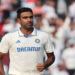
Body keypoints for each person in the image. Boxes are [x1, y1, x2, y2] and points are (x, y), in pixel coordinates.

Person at [0, 7, 55, 75]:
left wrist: (45, 65)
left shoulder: (44, 36)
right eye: (25, 18)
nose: (29, 20)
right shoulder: (9, 37)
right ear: (18, 20)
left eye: (31, 17)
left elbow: (51, 57)